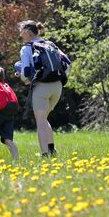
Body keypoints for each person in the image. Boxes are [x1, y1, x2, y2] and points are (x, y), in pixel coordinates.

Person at [18, 20, 70, 158]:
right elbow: (67, 63)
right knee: (44, 118)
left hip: (41, 87)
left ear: (28, 32)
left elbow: (25, 72)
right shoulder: (51, 44)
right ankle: (52, 150)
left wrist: (25, 78)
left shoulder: (26, 48)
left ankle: (45, 154)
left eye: (21, 31)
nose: (20, 34)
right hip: (57, 87)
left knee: (40, 122)